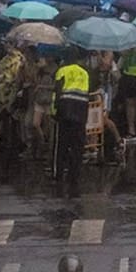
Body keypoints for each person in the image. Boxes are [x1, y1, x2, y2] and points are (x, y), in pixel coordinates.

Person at [54, 56, 94, 194]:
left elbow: (57, 92)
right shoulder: (84, 73)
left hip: (65, 112)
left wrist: (55, 111)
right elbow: (87, 93)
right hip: (81, 113)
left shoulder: (62, 70)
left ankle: (58, 174)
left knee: (62, 145)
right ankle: (74, 175)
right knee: (78, 147)